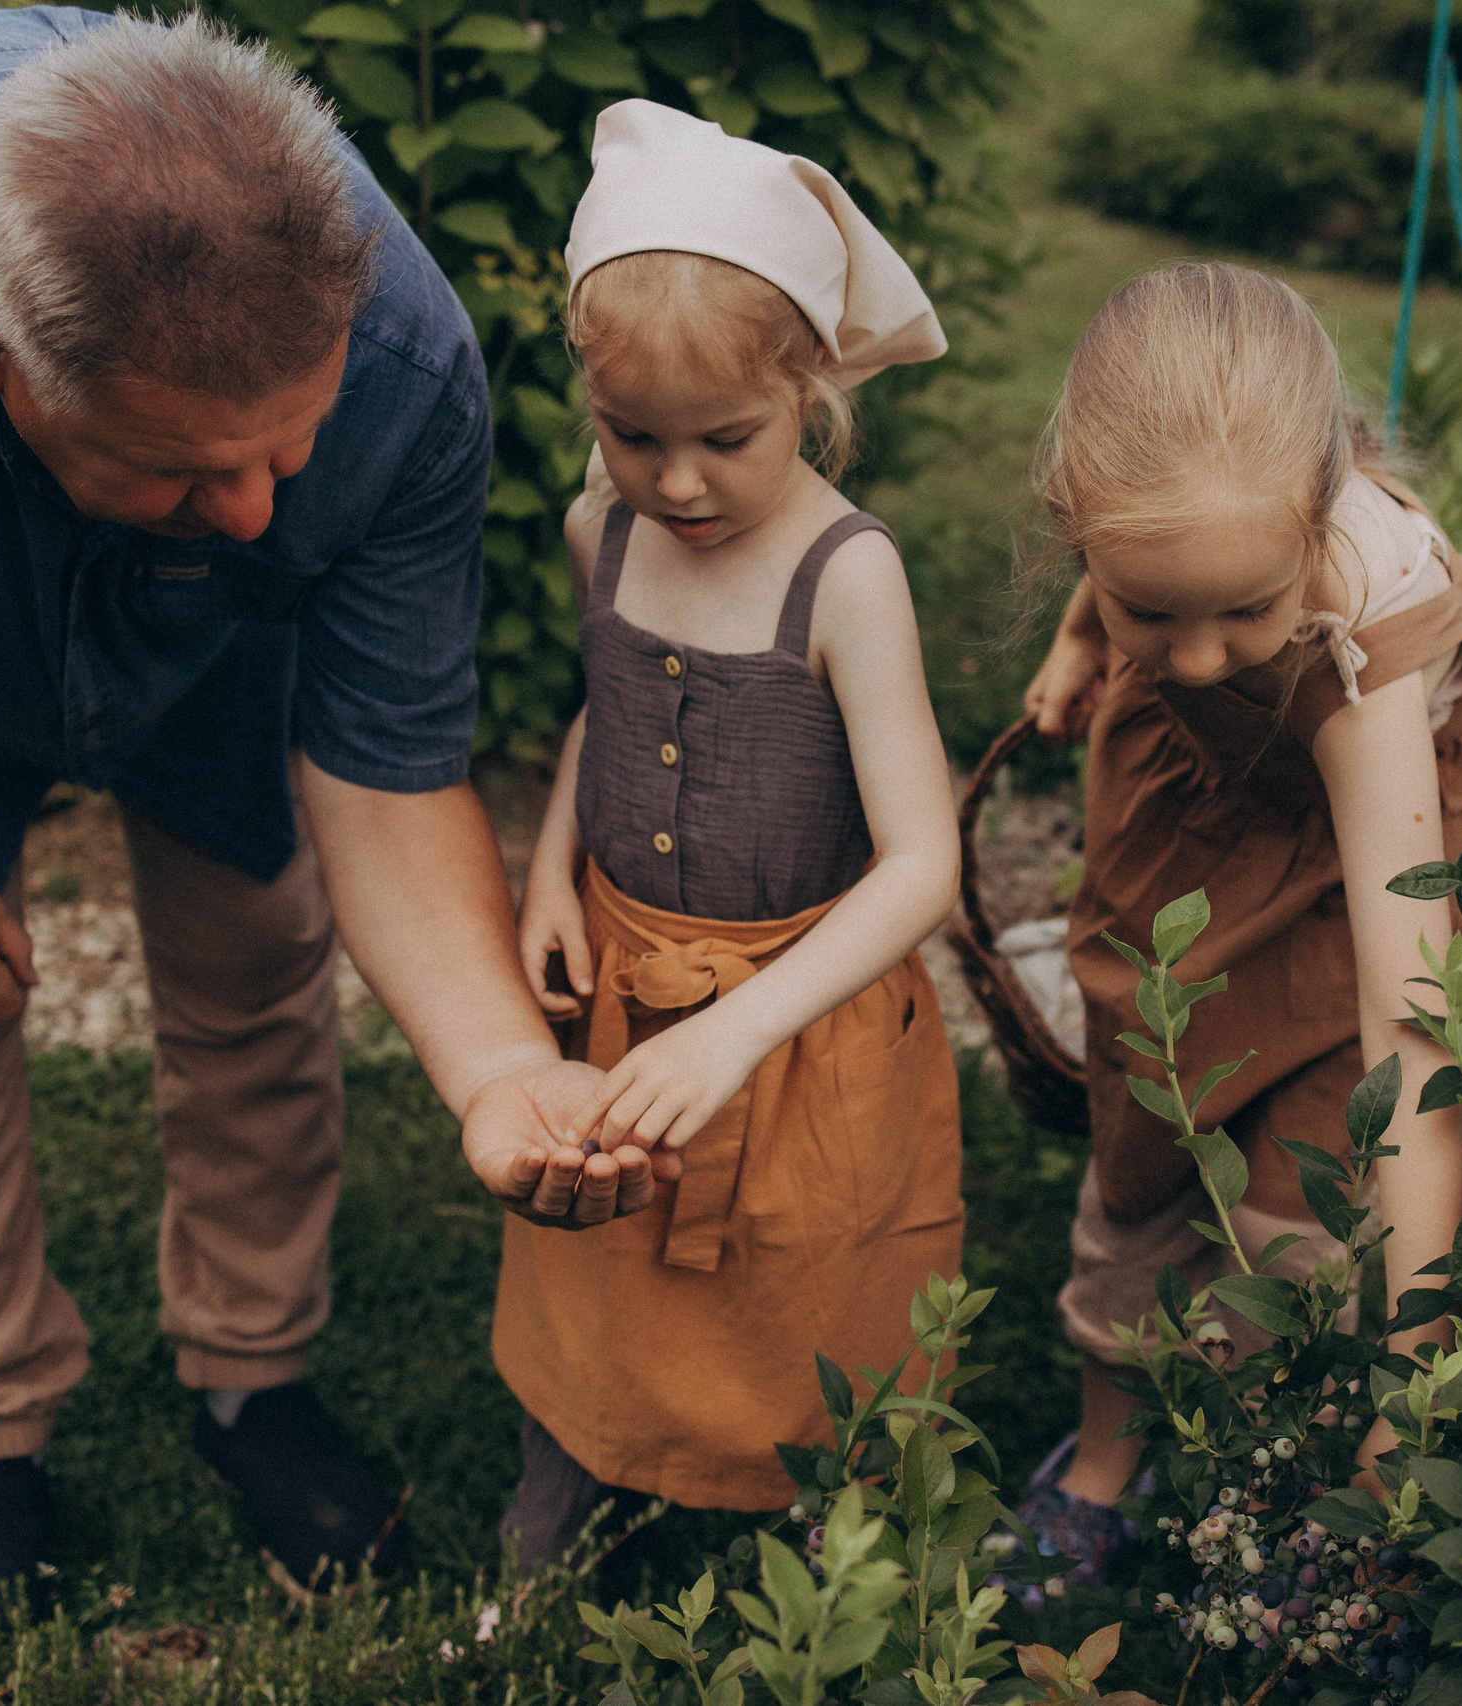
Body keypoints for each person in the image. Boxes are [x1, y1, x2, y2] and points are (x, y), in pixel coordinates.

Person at [0, 8, 673, 1645]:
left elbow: (386, 767)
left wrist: (503, 1069)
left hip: (221, 646)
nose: (257, 503)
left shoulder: (398, 362)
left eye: (286, 449)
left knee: (257, 949)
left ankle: (255, 1374)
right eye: (185, 466)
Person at [490, 99, 964, 1568]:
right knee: (597, 1283)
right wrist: (556, 867)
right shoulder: (601, 533)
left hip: (800, 1027)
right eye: (634, 437)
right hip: (629, 996)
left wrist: (735, 1031)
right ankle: (560, 1509)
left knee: (805, 1290)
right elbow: (607, 704)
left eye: (726, 438)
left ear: (810, 384)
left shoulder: (848, 575)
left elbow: (925, 866)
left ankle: (828, 1568)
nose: (678, 481)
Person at [1005, 262, 1462, 1591]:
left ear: (1310, 520)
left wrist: (1419, 1368)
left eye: (1243, 605)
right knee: (1150, 1088)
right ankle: (1110, 1454)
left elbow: (1412, 1023)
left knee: (1318, 1145)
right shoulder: (1166, 550)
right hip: (1198, 795)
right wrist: (1083, 640)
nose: (1189, 655)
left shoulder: (1359, 647)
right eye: (1141, 607)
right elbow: (1153, 565)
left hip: (1360, 795)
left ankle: (1315, 1474)